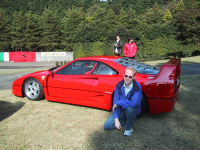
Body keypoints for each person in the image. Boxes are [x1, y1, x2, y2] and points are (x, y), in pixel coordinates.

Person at [104, 66, 142, 136]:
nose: (127, 78)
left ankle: (128, 128)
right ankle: (127, 120)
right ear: (124, 75)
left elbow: (134, 104)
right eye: (126, 76)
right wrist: (116, 119)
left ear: (133, 78)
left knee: (130, 110)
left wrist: (119, 103)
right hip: (121, 110)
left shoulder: (137, 86)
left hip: (133, 110)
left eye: (130, 77)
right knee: (107, 126)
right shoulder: (118, 86)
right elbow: (115, 104)